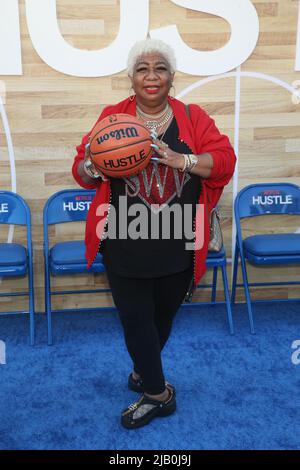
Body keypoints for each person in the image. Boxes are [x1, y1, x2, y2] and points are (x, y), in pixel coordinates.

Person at [72, 38, 236, 429]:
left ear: (171, 78)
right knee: (134, 318)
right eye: (142, 68)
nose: (151, 75)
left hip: (180, 239)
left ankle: (143, 370)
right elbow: (80, 171)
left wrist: (185, 159)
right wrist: (98, 165)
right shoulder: (113, 116)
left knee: (163, 317)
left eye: (159, 68)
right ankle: (158, 394)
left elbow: (225, 161)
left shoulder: (193, 117)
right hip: (125, 238)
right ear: (131, 78)